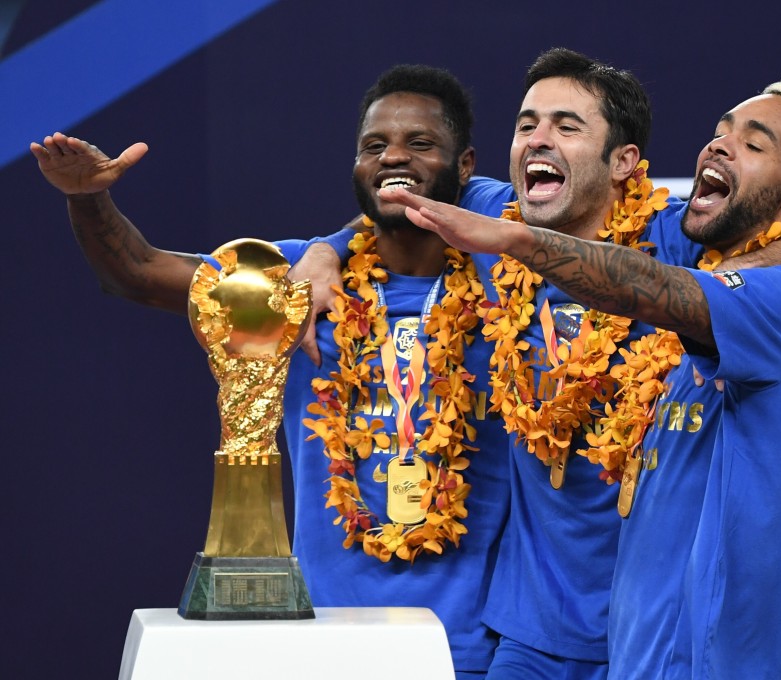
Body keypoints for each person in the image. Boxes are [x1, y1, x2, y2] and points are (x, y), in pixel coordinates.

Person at [362, 49, 781, 679]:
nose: (538, 139)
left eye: (568, 127)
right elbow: (391, 210)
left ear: (623, 162)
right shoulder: (496, 216)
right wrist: (321, 255)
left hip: (679, 642)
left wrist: (714, 283)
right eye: (526, 125)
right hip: (556, 632)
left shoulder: (678, 252)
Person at [31, 65, 511, 679]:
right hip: (324, 641)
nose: (394, 157)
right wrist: (87, 197)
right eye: (374, 146)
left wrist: (332, 242)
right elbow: (137, 272)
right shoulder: (287, 285)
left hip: (470, 649)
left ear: (464, 164)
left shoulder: (508, 286)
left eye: (420, 144)